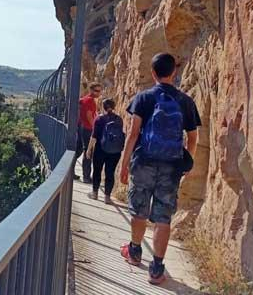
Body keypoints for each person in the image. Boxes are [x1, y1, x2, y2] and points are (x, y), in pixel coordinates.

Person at [119, 53, 201, 285]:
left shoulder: (143, 98)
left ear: (153, 72)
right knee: (163, 216)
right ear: (173, 72)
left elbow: (133, 135)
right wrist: (187, 163)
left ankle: (134, 252)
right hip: (171, 166)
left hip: (144, 161)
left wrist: (123, 167)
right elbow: (193, 138)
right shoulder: (185, 101)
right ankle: (156, 269)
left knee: (139, 208)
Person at [86, 98, 124, 204]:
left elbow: (94, 137)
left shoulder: (99, 119)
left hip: (100, 149)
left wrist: (89, 150)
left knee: (97, 170)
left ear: (103, 107)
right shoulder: (119, 119)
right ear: (114, 106)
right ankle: (107, 197)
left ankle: (95, 193)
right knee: (110, 173)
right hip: (115, 151)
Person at [78, 83, 101, 183]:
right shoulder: (90, 100)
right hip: (87, 128)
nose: (98, 93)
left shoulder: (84, 99)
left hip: (82, 127)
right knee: (88, 152)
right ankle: (86, 177)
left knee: (80, 149)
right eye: (96, 91)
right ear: (91, 90)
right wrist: (94, 128)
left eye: (99, 91)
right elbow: (89, 115)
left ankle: (74, 173)